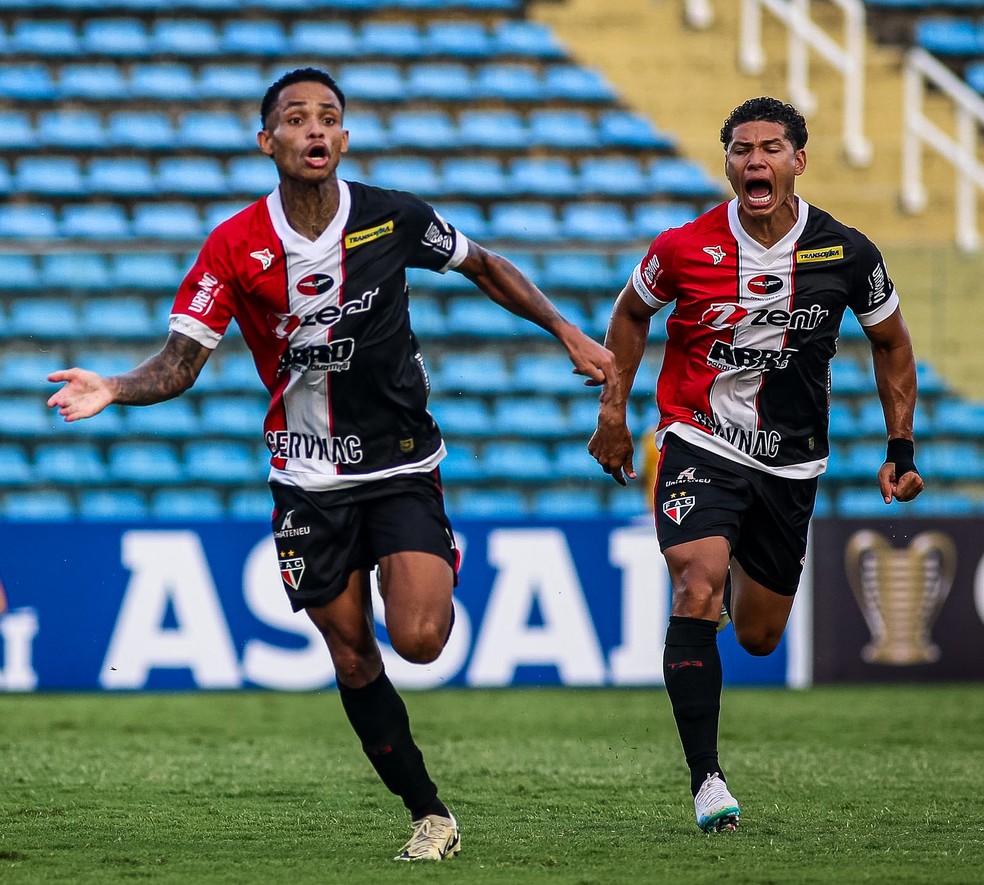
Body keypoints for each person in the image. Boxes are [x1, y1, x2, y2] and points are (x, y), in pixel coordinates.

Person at [48, 67, 616, 861]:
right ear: (267, 140)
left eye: (328, 118)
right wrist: (112, 384)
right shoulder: (235, 247)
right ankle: (430, 813)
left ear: (344, 138)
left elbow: (485, 263)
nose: (314, 130)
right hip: (306, 477)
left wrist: (567, 331)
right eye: (295, 118)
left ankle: (431, 551)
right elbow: (181, 363)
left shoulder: (392, 218)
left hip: (400, 461)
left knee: (419, 639)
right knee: (353, 653)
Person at [588, 96, 924, 833]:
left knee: (759, 635)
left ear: (799, 160)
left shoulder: (846, 252)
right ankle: (706, 777)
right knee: (695, 583)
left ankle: (731, 563)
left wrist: (900, 446)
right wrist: (613, 415)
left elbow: (893, 342)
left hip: (791, 464)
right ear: (729, 163)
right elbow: (631, 312)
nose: (756, 161)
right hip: (698, 438)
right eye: (742, 150)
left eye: (772, 148)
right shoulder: (683, 247)